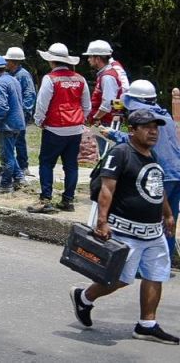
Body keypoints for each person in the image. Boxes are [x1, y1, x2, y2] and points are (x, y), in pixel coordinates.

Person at [70, 109, 177, 345]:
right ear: (132, 130)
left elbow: (157, 189)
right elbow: (107, 189)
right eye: (147, 127)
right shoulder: (120, 153)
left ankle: (146, 325)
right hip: (125, 230)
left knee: (155, 274)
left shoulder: (151, 156)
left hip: (153, 231)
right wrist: (102, 221)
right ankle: (84, 297)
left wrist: (168, 215)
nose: (153, 132)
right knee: (120, 278)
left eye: (156, 127)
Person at [98, 79, 180, 261]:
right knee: (169, 219)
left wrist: (112, 133)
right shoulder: (163, 114)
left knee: (151, 219)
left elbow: (135, 141)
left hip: (157, 174)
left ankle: (144, 262)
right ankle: (164, 260)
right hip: (176, 173)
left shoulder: (142, 117)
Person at [28, 43, 91, 214]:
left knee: (46, 163)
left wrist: (39, 121)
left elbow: (42, 104)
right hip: (75, 129)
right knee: (71, 165)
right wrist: (80, 120)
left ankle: (45, 199)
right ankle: (68, 200)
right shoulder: (80, 79)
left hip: (55, 128)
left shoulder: (50, 79)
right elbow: (87, 106)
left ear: (51, 61)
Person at [0, 54, 26, 195]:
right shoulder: (13, 79)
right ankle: (20, 178)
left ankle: (6, 184)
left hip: (7, 124)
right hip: (18, 123)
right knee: (10, 152)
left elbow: (2, 107)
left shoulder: (0, 83)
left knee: (6, 156)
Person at [84, 40, 128, 156]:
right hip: (105, 120)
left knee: (108, 155)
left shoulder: (108, 77)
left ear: (97, 58)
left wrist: (95, 117)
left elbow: (107, 103)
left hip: (107, 121)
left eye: (90, 57)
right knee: (105, 153)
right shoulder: (106, 74)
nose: (88, 59)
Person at [5, 46, 36, 179]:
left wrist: (23, 112)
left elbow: (30, 94)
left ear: (13, 61)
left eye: (7, 60)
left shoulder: (23, 75)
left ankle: (23, 166)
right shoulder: (12, 74)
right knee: (13, 140)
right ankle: (15, 166)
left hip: (20, 114)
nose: (5, 62)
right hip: (13, 114)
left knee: (19, 141)